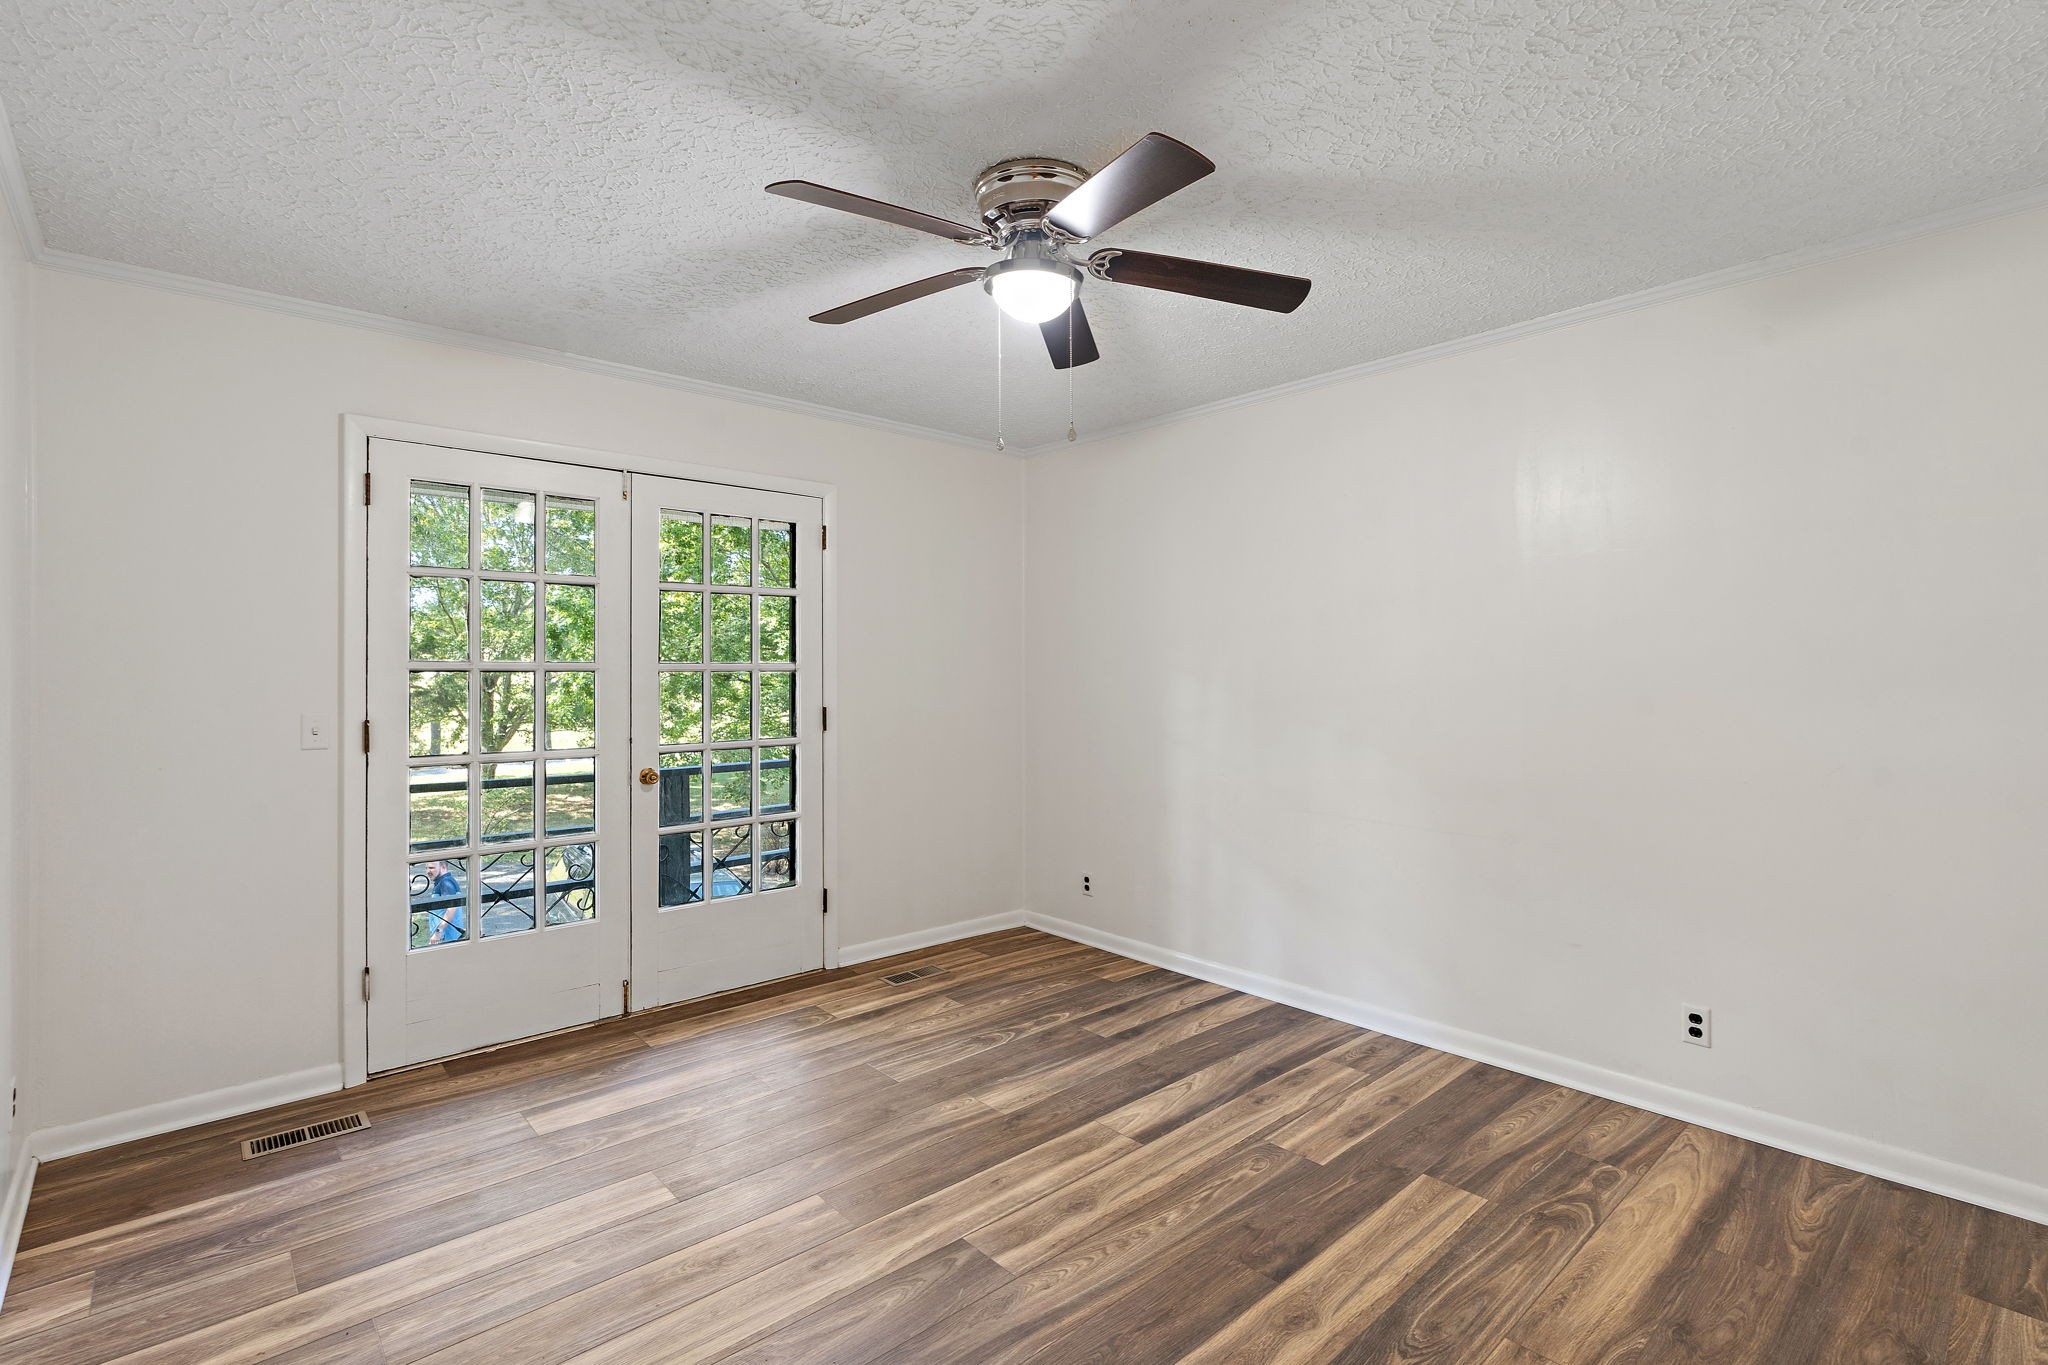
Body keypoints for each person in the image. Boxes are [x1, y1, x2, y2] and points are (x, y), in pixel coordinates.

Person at [425, 860, 466, 944]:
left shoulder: (446, 882)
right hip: (446, 937)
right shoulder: (443, 882)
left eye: (431, 868)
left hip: (447, 938)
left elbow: (452, 907)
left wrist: (438, 932)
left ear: (443, 867)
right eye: (426, 868)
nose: (428, 871)